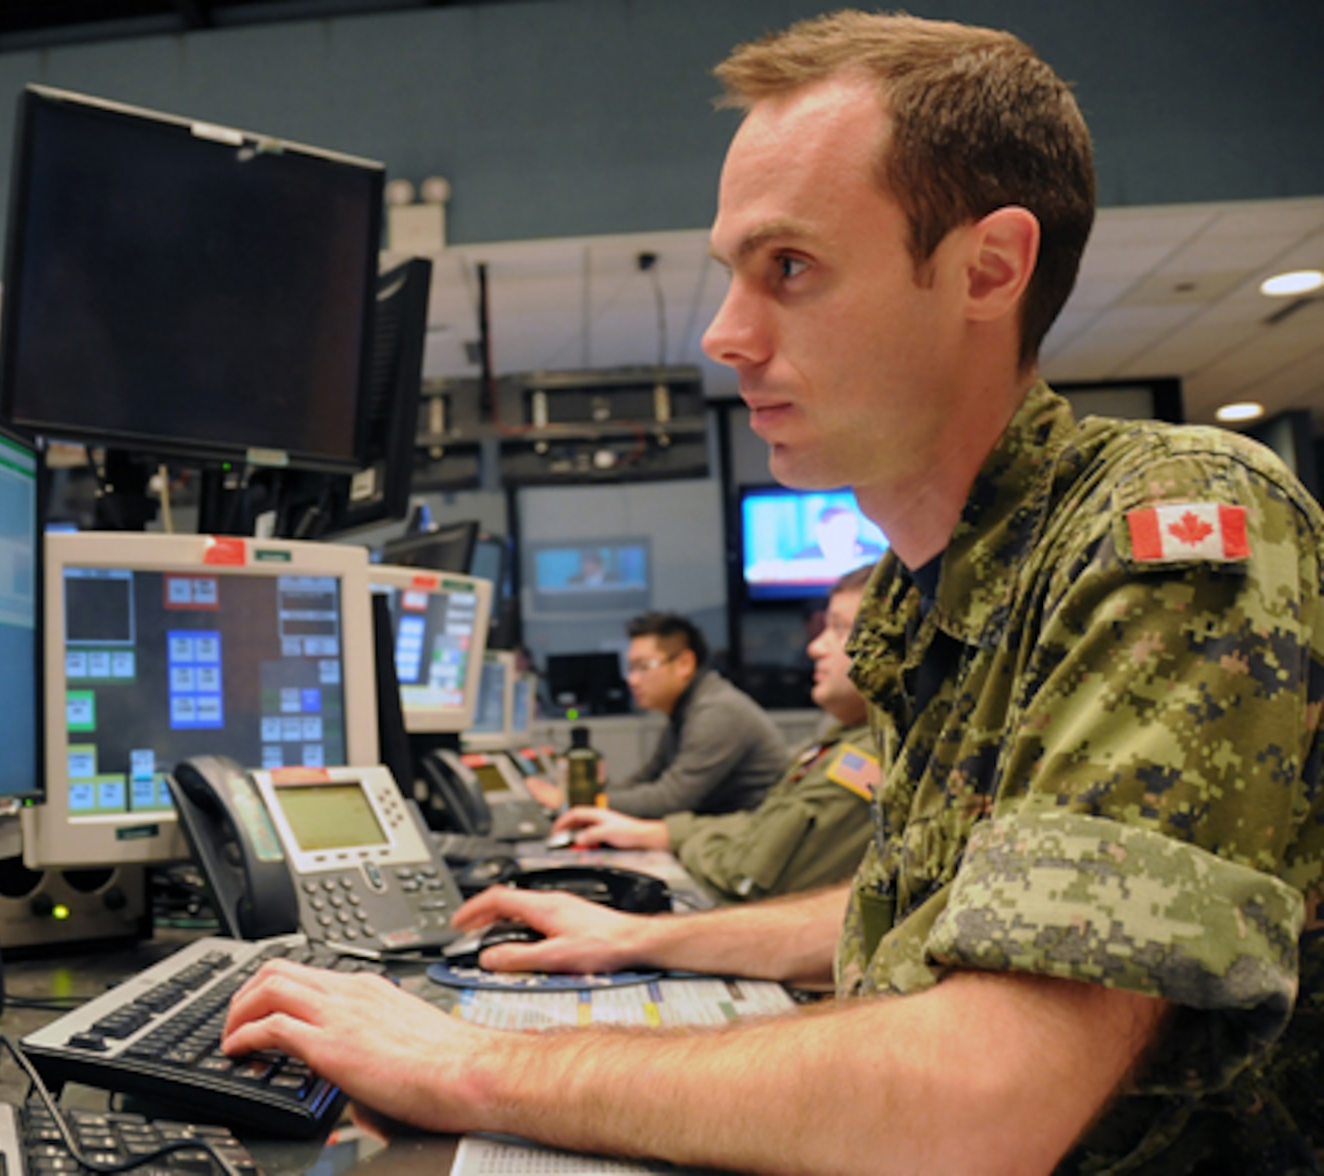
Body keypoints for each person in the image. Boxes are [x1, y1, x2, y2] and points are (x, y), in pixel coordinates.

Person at [222, 12, 1323, 1171]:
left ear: (986, 269)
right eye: (731, 273)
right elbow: (937, 927)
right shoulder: (920, 593)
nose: (723, 335)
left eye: (787, 268)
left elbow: (988, 1096)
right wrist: (655, 941)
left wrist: (466, 1063)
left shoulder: (1174, 525)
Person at [556, 564, 878, 903]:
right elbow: (755, 826)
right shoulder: (842, 733)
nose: (815, 648)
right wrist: (651, 832)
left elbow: (748, 873)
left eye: (840, 629)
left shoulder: (717, 712)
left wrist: (579, 802)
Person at [573, 612, 787, 820]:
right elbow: (648, 778)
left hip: (750, 840)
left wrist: (582, 803)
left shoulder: (717, 711)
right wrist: (589, 798)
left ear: (684, 664)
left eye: (642, 667)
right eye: (630, 668)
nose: (632, 680)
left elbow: (671, 800)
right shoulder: (686, 709)